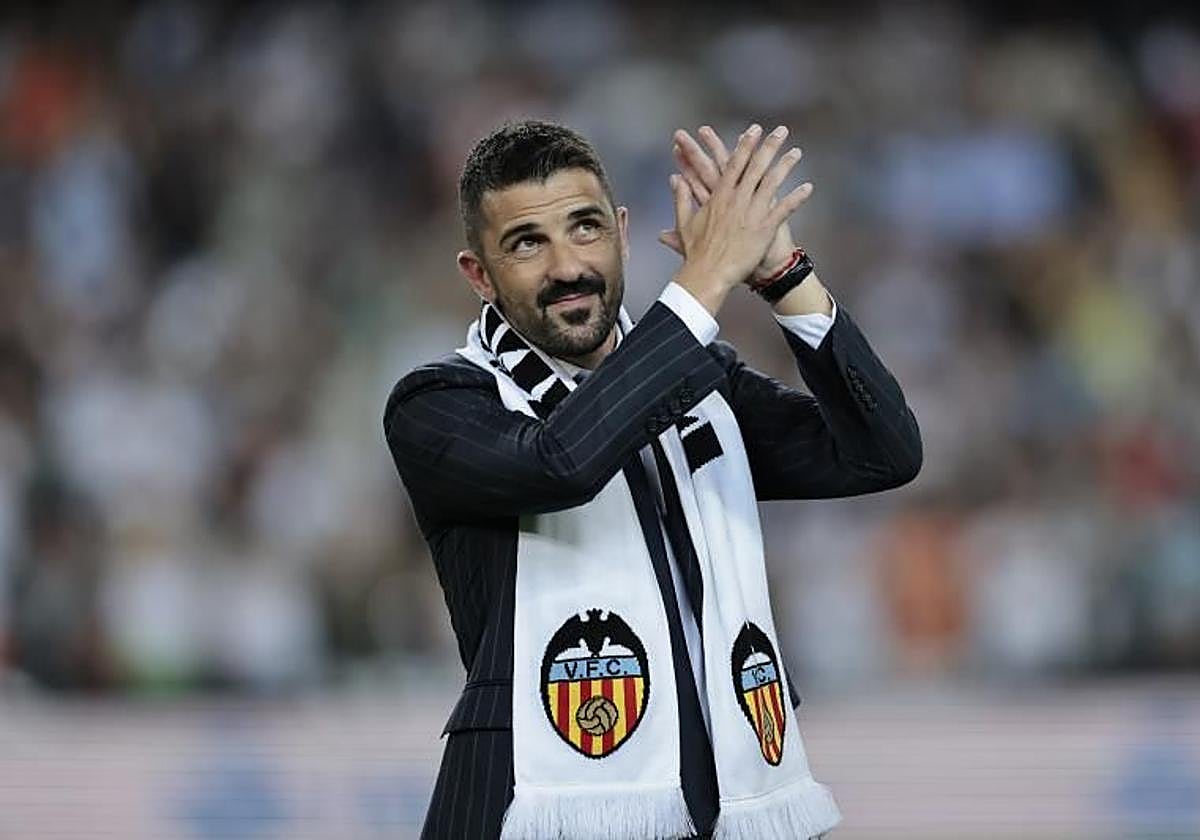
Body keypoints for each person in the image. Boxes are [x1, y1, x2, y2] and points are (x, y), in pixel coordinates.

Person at [383, 119, 922, 840]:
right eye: (526, 243)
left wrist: (783, 276)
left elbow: (881, 452)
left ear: (623, 231)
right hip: (530, 812)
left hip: (723, 806)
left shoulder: (697, 381)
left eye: (585, 228)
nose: (567, 266)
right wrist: (700, 283)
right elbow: (562, 462)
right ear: (478, 274)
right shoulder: (439, 404)